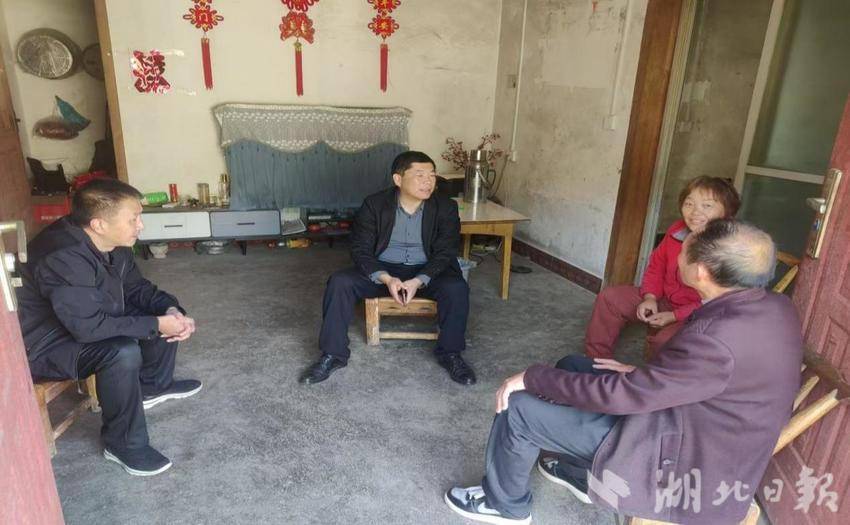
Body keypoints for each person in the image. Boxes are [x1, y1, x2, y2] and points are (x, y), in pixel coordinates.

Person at [445, 219, 802, 525]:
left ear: (701, 272)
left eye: (683, 249)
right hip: (691, 418)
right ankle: (584, 475)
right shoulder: (773, 305)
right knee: (574, 365)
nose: (676, 252)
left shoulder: (717, 340)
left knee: (518, 406)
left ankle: (504, 505)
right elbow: (705, 380)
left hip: (683, 455)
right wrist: (643, 374)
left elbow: (622, 397)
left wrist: (530, 376)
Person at [17, 179, 201, 476]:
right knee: (120, 351)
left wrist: (171, 311)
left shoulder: (114, 243)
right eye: (133, 219)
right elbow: (88, 328)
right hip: (45, 344)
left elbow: (137, 289)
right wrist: (156, 324)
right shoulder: (63, 255)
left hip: (82, 317)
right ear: (99, 224)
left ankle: (153, 386)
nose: (140, 225)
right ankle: (122, 445)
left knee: (155, 312)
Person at [299, 151, 475, 386]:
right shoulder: (375, 204)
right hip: (383, 271)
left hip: (426, 271)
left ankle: (451, 354)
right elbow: (360, 248)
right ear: (398, 179)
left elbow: (446, 251)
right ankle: (333, 355)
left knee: (456, 288)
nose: (428, 181)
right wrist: (387, 279)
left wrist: (418, 280)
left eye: (432, 175)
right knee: (340, 282)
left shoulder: (445, 207)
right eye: (420, 175)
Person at [586, 176, 740, 360]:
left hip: (697, 313)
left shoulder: (729, 249)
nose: (695, 212)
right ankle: (596, 362)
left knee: (664, 342)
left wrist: (674, 316)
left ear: (727, 212)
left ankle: (653, 378)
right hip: (665, 298)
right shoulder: (677, 231)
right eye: (689, 203)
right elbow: (656, 266)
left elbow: (715, 301)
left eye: (707, 206)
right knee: (610, 298)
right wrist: (650, 297)